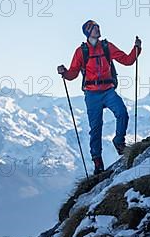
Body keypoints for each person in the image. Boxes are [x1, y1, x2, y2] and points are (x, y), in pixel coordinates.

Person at [57, 20, 142, 175]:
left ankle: (119, 141)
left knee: (122, 113)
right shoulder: (81, 51)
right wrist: (64, 72)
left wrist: (137, 48)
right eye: (94, 28)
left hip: (108, 90)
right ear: (88, 32)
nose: (97, 29)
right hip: (92, 93)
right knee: (96, 128)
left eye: (97, 27)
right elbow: (73, 74)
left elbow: (127, 60)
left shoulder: (107, 47)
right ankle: (97, 161)